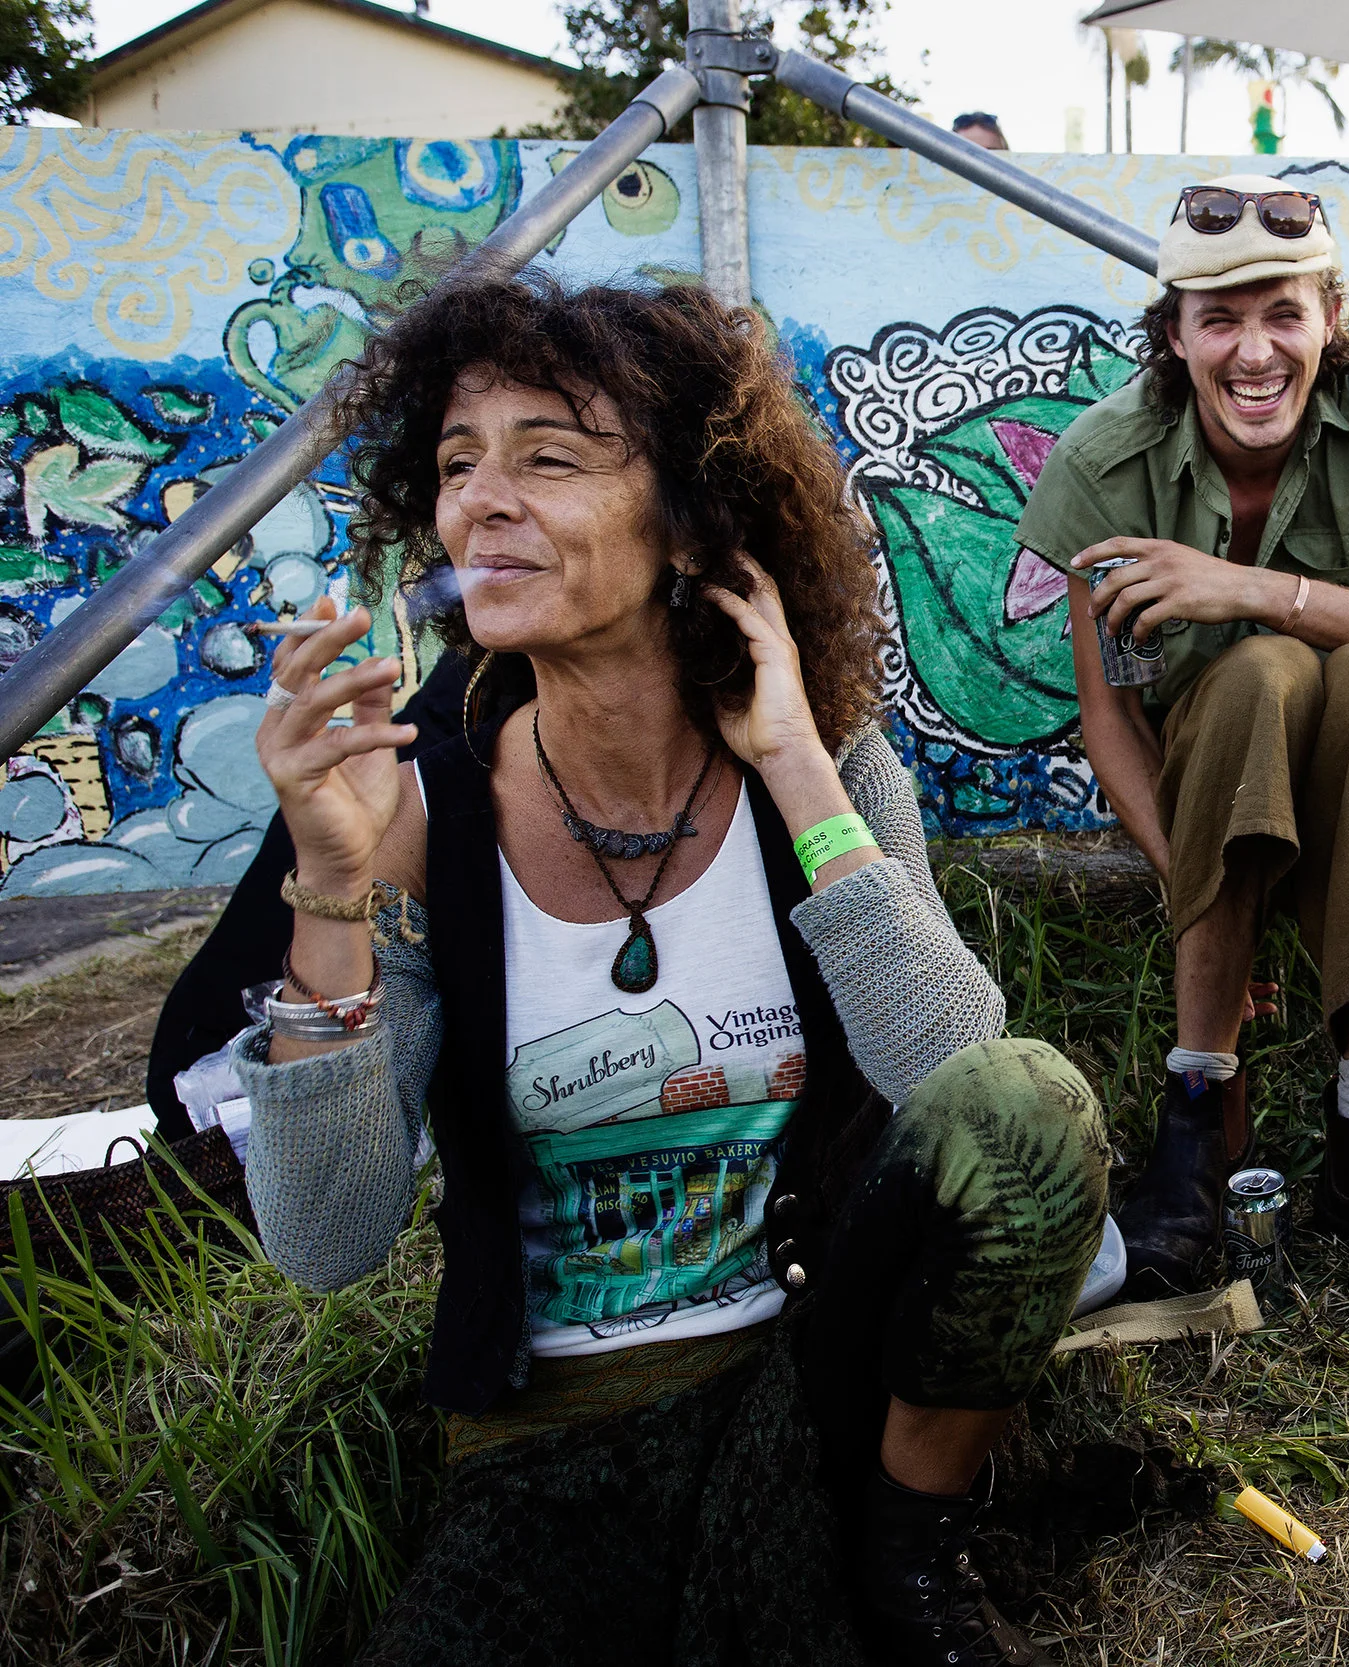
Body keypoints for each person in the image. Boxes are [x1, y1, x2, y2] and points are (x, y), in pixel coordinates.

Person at [235, 274, 1106, 1667]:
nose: (482, 501)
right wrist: (333, 890)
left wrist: (800, 768)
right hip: (545, 1442)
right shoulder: (416, 808)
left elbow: (964, 1080)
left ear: (691, 513)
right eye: (460, 464)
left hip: (807, 1371)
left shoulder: (817, 756)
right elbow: (327, 1237)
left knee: (1032, 1102)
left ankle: (911, 1549)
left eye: (549, 456)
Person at [1013, 174, 1349, 1307]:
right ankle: (1200, 1110)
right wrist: (1193, 881)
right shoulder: (1105, 461)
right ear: (1175, 336)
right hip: (1217, 775)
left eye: (1282, 312)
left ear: (1330, 320)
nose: (1255, 351)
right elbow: (1114, 719)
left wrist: (1250, 585)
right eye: (1220, 319)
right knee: (1253, 674)